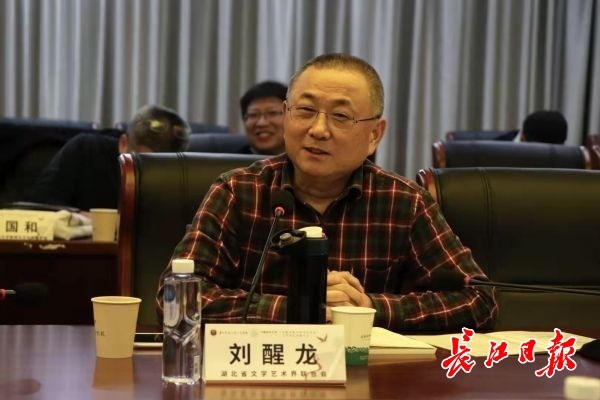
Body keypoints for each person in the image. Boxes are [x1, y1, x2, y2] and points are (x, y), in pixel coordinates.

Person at [158, 53, 497, 332]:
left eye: (341, 116)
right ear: (287, 115)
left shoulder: (404, 201)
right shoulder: (238, 191)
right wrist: (298, 310)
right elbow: (175, 298)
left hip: (367, 377)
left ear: (374, 135)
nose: (318, 130)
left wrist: (368, 308)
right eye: (305, 111)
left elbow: (479, 301)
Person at [26, 105, 191, 210]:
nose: (153, 176)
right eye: (144, 163)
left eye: (164, 168)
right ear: (123, 144)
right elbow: (36, 208)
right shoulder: (86, 151)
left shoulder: (187, 174)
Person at [238, 81, 287, 155]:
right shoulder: (227, 161)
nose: (261, 123)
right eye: (253, 114)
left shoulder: (304, 160)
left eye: (272, 113)